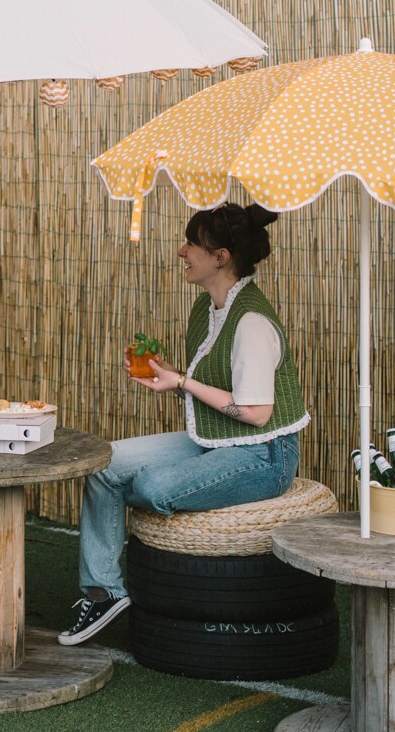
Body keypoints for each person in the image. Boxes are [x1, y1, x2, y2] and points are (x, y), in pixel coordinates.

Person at [59, 202, 308, 647]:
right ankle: (102, 593)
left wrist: (183, 382)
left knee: (152, 486)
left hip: (264, 455)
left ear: (221, 257)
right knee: (104, 464)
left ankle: (115, 570)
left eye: (192, 244)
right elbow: (213, 390)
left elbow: (256, 413)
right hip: (216, 439)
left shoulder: (251, 322)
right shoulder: (207, 308)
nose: (181, 252)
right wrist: (170, 377)